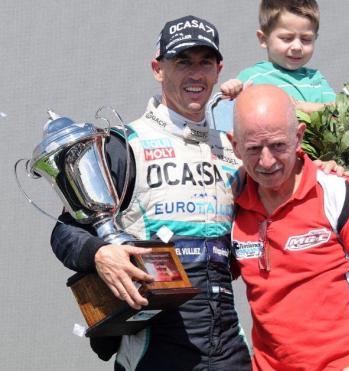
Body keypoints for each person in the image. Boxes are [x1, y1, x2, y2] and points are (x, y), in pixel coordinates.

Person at [50, 15, 251, 371]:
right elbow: (64, 232)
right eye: (182, 62)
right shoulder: (126, 144)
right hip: (153, 351)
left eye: (205, 62)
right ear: (158, 69)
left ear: (219, 70)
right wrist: (100, 254)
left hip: (228, 351)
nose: (196, 73)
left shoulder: (233, 149)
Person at [229, 84, 349, 371]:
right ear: (235, 146)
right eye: (254, 149)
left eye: (279, 146)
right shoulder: (230, 206)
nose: (267, 161)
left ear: (298, 137)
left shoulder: (338, 192)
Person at [220, 0, 335, 113]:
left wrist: (302, 108)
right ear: (263, 39)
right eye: (286, 38)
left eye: (306, 39)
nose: (297, 47)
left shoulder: (316, 79)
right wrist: (230, 92)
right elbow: (223, 120)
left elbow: (339, 112)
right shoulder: (251, 77)